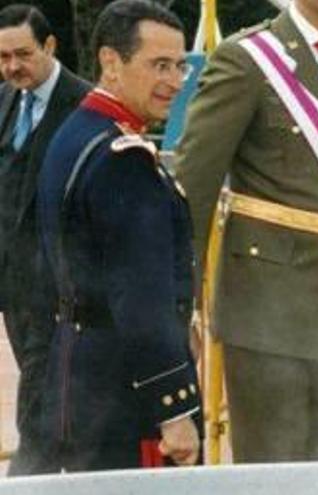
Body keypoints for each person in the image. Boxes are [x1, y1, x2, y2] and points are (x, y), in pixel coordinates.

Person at [174, 0, 318, 461]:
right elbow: (193, 190)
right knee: (274, 470)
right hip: (266, 307)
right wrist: (183, 305)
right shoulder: (247, 57)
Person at [36, 0, 201, 471]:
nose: (173, 81)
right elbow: (142, 298)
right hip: (128, 392)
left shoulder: (76, 132)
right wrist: (174, 410)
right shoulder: (123, 160)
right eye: (159, 65)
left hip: (77, 372)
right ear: (111, 63)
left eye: (180, 66)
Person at [0, 4, 90, 475]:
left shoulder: (86, 105)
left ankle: (25, 482)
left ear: (50, 46)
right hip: (14, 288)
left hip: (61, 293)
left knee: (38, 407)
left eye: (23, 54)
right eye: (2, 57)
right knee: (49, 406)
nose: (13, 66)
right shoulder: (3, 100)